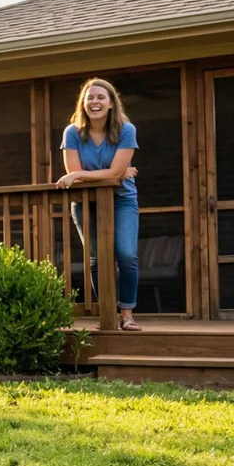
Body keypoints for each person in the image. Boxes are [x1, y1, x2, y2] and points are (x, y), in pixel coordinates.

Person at [56, 77, 141, 331]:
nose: (95, 102)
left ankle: (127, 315)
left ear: (112, 103)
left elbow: (102, 173)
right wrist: (110, 172)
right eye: (90, 97)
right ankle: (109, 313)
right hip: (86, 203)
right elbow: (75, 174)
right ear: (83, 103)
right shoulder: (72, 133)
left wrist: (91, 174)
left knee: (126, 256)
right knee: (97, 258)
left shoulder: (126, 130)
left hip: (122, 200)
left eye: (101, 97)